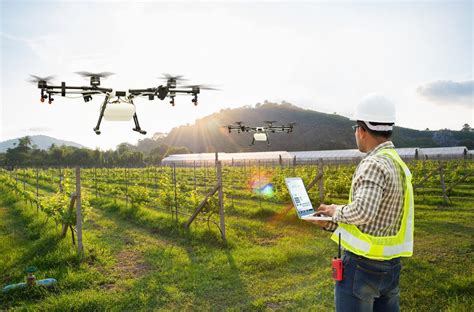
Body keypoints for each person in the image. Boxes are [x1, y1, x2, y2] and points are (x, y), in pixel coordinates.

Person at [308, 93, 414, 312]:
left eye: (356, 129)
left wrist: (335, 210)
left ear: (362, 130)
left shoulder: (373, 163)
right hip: (391, 266)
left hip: (363, 268)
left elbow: (364, 212)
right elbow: (374, 224)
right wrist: (330, 222)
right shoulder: (397, 164)